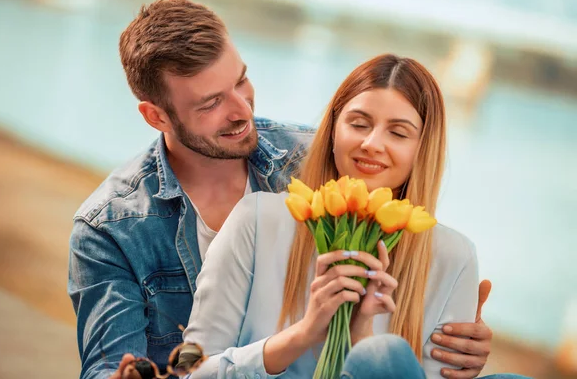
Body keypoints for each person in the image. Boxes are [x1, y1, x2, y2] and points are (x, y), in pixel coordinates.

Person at [68, 0, 496, 379]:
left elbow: (396, 186)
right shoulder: (112, 227)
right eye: (211, 102)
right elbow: (178, 360)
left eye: (241, 81)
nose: (242, 110)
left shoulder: (322, 154)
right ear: (156, 116)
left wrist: (457, 337)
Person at [183, 54, 528, 379]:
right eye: (359, 124)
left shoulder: (453, 255)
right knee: (386, 354)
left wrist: (361, 333)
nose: (372, 144)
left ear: (422, 150)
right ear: (333, 130)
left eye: (398, 132)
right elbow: (191, 370)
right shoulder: (258, 220)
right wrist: (303, 334)